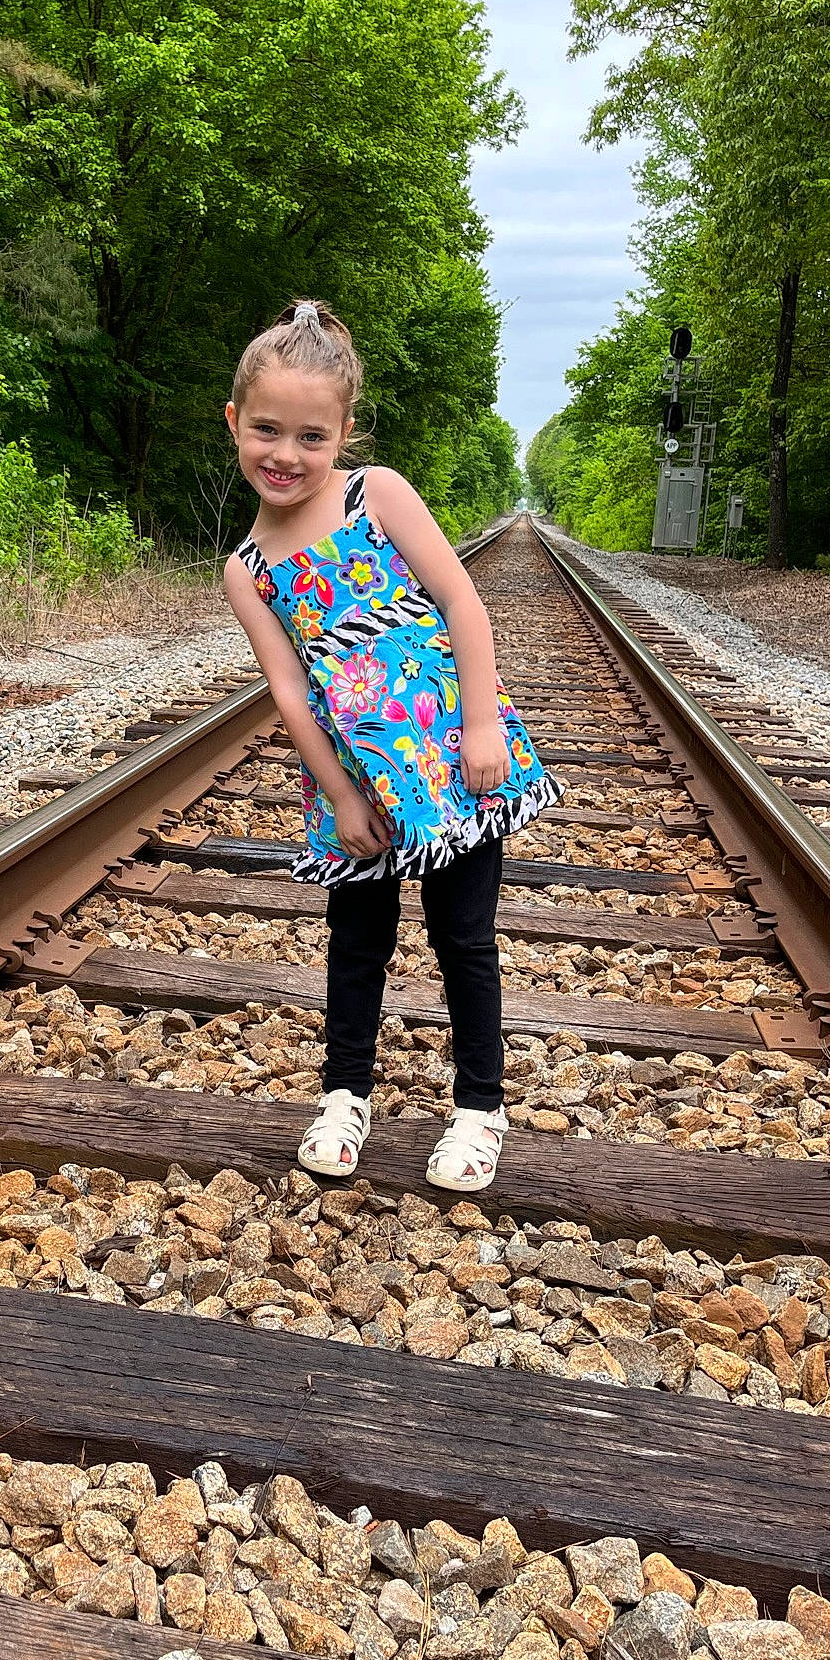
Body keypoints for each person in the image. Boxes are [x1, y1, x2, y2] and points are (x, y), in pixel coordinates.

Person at [222, 299, 562, 1190]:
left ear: (343, 433)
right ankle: (344, 1095)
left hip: (449, 758)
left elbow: (463, 604)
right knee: (356, 939)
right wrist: (337, 790)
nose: (285, 455)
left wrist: (483, 722)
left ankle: (480, 1107)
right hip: (353, 782)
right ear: (234, 422)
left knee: (463, 937)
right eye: (266, 430)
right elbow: (290, 690)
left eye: (310, 436)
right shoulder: (248, 568)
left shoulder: (381, 494)